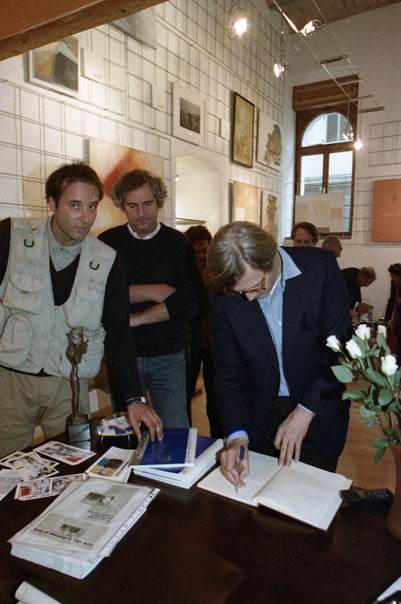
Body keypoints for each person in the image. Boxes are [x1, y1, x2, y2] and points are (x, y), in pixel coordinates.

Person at [0, 162, 162, 457]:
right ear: (52, 203)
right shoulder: (11, 237)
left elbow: (118, 333)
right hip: (11, 383)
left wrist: (134, 398)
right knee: (7, 468)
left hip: (70, 388)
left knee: (74, 462)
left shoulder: (106, 260)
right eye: (74, 206)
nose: (85, 217)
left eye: (92, 207)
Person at [206, 221, 351, 488]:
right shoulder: (224, 298)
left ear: (271, 256)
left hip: (317, 410)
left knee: (311, 500)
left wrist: (305, 410)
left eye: (256, 286)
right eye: (240, 292)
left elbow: (339, 349)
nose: (249, 298)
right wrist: (236, 436)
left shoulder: (321, 268)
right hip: (259, 419)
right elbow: (229, 373)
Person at [99, 169, 202, 429]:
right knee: (127, 433)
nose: (141, 213)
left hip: (168, 356)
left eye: (147, 204)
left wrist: (133, 319)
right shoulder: (106, 244)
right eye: (132, 206)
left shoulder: (179, 244)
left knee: (176, 430)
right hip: (123, 356)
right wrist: (153, 291)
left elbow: (189, 303)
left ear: (158, 202)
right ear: (122, 206)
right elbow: (99, 295)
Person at [184, 225, 223, 438]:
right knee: (184, 394)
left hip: (214, 339)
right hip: (189, 340)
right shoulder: (183, 270)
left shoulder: (217, 270)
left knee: (216, 395)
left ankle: (217, 439)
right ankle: (186, 439)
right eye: (197, 251)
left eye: (204, 250)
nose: (201, 256)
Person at [385, 263, 401, 361]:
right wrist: (387, 319)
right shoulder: (394, 284)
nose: (392, 279)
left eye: (393, 276)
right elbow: (391, 301)